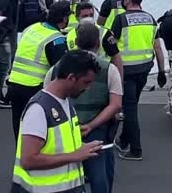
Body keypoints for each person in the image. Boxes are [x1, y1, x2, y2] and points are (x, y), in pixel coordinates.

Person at [44, 24, 122, 193]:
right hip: (97, 130)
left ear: (76, 42)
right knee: (100, 175)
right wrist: (92, 125)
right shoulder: (109, 69)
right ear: (99, 44)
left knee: (64, 175)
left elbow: (48, 100)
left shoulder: (57, 68)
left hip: (65, 129)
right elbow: (116, 105)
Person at [12, 50, 104, 193]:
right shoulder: (38, 109)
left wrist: (84, 148)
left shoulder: (65, 102)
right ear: (71, 78)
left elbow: (58, 144)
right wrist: (75, 156)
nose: (88, 88)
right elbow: (28, 160)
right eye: (86, 82)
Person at [110, 0, 166, 161]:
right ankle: (124, 140)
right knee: (131, 105)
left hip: (125, 71)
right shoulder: (150, 19)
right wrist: (162, 71)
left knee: (130, 109)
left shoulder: (121, 20)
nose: (122, 0)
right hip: (144, 69)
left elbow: (110, 43)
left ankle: (136, 149)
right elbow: (157, 47)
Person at [8, 1, 71, 140]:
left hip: (14, 83)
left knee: (19, 128)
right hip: (34, 87)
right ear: (65, 18)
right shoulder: (56, 39)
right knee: (36, 130)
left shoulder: (33, 28)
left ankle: (21, 158)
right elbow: (62, 69)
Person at [67, 2, 124, 78]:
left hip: (101, 74)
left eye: (91, 15)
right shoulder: (70, 35)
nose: (89, 18)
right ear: (77, 17)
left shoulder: (104, 33)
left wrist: (119, 80)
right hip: (79, 77)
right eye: (85, 16)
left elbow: (116, 57)